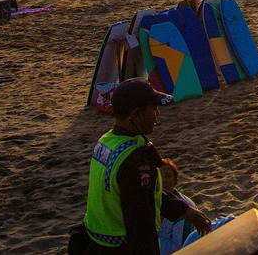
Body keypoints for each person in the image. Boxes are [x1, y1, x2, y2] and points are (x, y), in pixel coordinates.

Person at [81, 78, 210, 254]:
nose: (157, 114)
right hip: (120, 248)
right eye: (153, 109)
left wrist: (183, 210)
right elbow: (141, 225)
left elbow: (143, 193)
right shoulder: (135, 161)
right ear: (136, 115)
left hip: (94, 243)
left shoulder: (107, 141)